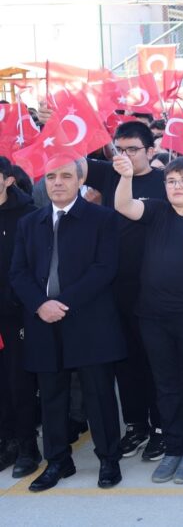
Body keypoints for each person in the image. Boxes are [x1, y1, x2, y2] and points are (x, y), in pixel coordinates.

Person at [10, 158, 125, 492]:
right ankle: (58, 461)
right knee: (51, 395)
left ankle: (108, 459)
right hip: (42, 321)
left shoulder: (101, 218)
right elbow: (18, 272)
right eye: (50, 176)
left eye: (64, 176)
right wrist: (40, 305)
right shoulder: (31, 223)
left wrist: (63, 303)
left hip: (89, 319)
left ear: (79, 180)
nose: (57, 182)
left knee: (98, 393)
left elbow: (104, 268)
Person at [113, 156, 183, 484]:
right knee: (166, 385)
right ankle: (174, 446)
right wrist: (124, 176)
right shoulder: (157, 212)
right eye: (171, 181)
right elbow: (123, 205)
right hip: (152, 316)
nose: (177, 187)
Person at [84, 122, 167, 461]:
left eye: (133, 149)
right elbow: (67, 154)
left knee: (157, 361)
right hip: (112, 288)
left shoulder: (166, 181)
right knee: (126, 360)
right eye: (119, 148)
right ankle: (136, 426)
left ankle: (163, 427)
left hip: (155, 288)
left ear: (151, 151)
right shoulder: (107, 173)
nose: (125, 155)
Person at [0, 157, 39, 479]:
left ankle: (28, 447)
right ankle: (6, 441)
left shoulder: (28, 215)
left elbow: (31, 268)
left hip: (16, 314)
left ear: (8, 180)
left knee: (19, 383)